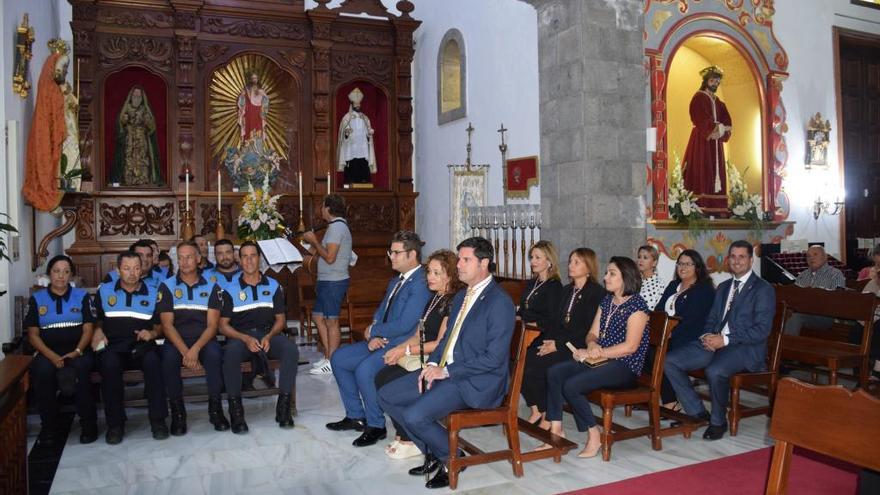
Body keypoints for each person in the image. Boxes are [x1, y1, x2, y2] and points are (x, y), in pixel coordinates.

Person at [378, 237, 516, 489]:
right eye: (459, 258)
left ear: (484, 263)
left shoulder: (499, 302)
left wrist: (446, 371)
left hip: (475, 380)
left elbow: (493, 358)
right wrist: (430, 365)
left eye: (466, 260)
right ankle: (435, 451)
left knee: (414, 415)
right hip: (448, 370)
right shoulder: (462, 294)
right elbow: (445, 341)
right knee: (387, 394)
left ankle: (451, 458)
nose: (459, 265)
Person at [326, 231, 432, 447]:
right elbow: (381, 309)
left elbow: (405, 324)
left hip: (401, 343)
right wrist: (373, 330)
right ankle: (356, 415)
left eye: (395, 252)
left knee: (365, 369)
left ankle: (376, 426)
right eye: (390, 252)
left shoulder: (420, 283)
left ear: (412, 254)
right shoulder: (396, 281)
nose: (391, 256)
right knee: (338, 358)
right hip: (382, 338)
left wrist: (376, 332)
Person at [539, 257, 650, 458]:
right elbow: (592, 333)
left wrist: (600, 352)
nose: (606, 277)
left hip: (624, 366)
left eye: (611, 273)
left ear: (626, 278)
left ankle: (594, 435)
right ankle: (555, 431)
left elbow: (630, 347)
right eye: (607, 273)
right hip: (601, 360)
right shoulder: (607, 301)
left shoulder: (637, 306)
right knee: (555, 372)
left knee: (572, 385)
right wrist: (591, 345)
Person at [664, 240, 775, 440]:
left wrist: (725, 340)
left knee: (715, 370)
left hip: (745, 348)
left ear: (751, 260)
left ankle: (718, 422)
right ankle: (697, 412)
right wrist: (706, 336)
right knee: (670, 361)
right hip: (715, 343)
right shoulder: (724, 287)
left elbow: (761, 330)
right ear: (728, 260)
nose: (737, 261)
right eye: (733, 256)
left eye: (742, 257)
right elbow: (712, 319)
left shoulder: (763, 289)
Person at [374, 249, 463, 459]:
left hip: (435, 360)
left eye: (436, 273)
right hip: (419, 354)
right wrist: (398, 349)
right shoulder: (433, 299)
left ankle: (411, 438)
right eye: (429, 272)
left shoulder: (452, 302)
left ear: (450, 275)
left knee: (393, 381)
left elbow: (440, 345)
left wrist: (405, 350)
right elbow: (417, 335)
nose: (430, 277)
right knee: (382, 376)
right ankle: (405, 433)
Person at [219, 241, 299, 433]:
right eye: (244, 256)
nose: (248, 260)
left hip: (268, 334)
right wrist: (245, 339)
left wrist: (270, 336)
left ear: (259, 259)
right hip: (241, 336)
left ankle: (284, 408)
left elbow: (281, 319)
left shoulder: (272, 286)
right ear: (239, 260)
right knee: (230, 354)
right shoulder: (229, 288)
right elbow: (222, 325)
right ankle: (236, 412)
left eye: (252, 256)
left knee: (290, 350)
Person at [92, 251, 168, 444]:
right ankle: (115, 425)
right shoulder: (105, 290)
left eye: (136, 268)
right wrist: (97, 330)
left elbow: (160, 326)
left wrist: (152, 334)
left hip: (141, 346)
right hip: (113, 346)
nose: (132, 273)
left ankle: (158, 420)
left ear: (142, 269)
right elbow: (97, 320)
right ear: (118, 270)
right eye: (127, 268)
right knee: (109, 366)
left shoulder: (153, 292)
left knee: (154, 363)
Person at [521, 248, 604, 425]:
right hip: (559, 342)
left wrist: (557, 345)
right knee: (525, 359)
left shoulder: (596, 293)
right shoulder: (567, 290)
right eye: (570, 261)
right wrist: (548, 342)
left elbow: (587, 330)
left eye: (577, 262)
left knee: (540, 366)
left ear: (588, 267)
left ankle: (549, 417)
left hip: (578, 347)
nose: (571, 265)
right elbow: (555, 323)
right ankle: (541, 409)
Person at [157, 241, 228, 435]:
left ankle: (215, 410)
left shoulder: (212, 286)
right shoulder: (167, 286)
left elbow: (213, 326)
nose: (185, 261)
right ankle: (178, 413)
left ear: (198, 259)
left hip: (203, 340)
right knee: (169, 358)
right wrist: (185, 351)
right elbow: (167, 325)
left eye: (189, 257)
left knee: (214, 355)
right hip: (176, 340)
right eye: (180, 257)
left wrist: (195, 349)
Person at [25, 255, 97, 446]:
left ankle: (89, 425)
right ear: (49, 274)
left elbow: (88, 329)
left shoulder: (81, 296)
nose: (61, 276)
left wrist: (77, 351)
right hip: (48, 352)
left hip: (78, 350)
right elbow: (33, 335)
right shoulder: (37, 299)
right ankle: (49, 427)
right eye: (56, 271)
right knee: (42, 371)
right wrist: (52, 356)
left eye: (66, 272)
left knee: (81, 369)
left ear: (71, 275)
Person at [653, 249, 715, 408]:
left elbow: (692, 321)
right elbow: (659, 310)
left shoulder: (704, 290)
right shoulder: (674, 284)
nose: (683, 267)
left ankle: (670, 402)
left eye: (688, 264)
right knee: (645, 350)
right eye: (680, 263)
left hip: (690, 339)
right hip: (668, 335)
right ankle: (661, 397)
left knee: (659, 355)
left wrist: (669, 333)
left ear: (698, 267)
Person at [24, 39, 79, 213]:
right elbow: (50, 115)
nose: (64, 72)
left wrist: (69, 95)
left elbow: (74, 104)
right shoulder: (49, 89)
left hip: (69, 130)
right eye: (62, 69)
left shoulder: (64, 87)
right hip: (59, 134)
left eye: (65, 70)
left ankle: (67, 184)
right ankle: (57, 188)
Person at [302, 195, 353, 375]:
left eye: (322, 206)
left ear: (329, 208)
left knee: (332, 321)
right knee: (317, 317)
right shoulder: (334, 227)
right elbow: (323, 253)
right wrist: (311, 245)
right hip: (326, 280)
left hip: (334, 281)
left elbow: (330, 258)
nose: (321, 210)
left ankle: (333, 361)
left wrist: (315, 241)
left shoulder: (337, 227)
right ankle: (327, 355)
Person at [682, 65, 732, 216]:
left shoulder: (720, 103)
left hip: (716, 145)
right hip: (702, 141)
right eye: (712, 80)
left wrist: (721, 130)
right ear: (706, 81)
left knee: (716, 171)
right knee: (702, 168)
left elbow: (728, 122)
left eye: (717, 82)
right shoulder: (698, 98)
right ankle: (701, 205)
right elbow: (700, 118)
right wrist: (716, 128)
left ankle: (718, 206)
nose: (715, 84)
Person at [783, 245, 846, 336]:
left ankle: (786, 347)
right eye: (808, 256)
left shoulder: (835, 274)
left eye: (815, 254)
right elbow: (793, 295)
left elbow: (838, 300)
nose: (811, 258)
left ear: (825, 257)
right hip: (800, 311)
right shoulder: (803, 275)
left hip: (823, 316)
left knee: (796, 317)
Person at [109, 85, 163, 186]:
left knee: (143, 162)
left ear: (142, 98)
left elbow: (152, 128)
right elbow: (119, 125)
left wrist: (147, 121)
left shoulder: (145, 110)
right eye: (135, 95)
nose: (136, 98)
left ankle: (143, 181)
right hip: (128, 141)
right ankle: (126, 181)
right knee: (128, 161)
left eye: (139, 96)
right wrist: (123, 121)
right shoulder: (125, 109)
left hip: (142, 141)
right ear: (131, 96)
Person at [517, 240, 564, 331]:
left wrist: (531, 325)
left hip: (539, 332)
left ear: (549, 261)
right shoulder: (532, 282)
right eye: (532, 257)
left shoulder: (554, 286)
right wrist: (517, 318)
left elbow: (553, 319)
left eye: (537, 258)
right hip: (524, 328)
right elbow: (523, 309)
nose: (532, 261)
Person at [336, 87, 377, 185]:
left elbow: (368, 132)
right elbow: (343, 133)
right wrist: (346, 133)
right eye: (356, 105)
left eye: (359, 105)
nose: (358, 107)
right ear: (352, 105)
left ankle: (364, 181)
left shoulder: (365, 118)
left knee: (363, 163)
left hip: (362, 146)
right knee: (352, 164)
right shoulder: (347, 118)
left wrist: (369, 133)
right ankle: (350, 181)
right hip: (351, 147)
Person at [238, 72, 269, 146]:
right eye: (253, 78)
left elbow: (266, 101)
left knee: (258, 129)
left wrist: (263, 109)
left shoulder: (261, 90)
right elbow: (242, 102)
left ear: (258, 79)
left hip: (258, 113)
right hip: (249, 113)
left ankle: (258, 149)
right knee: (248, 128)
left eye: (256, 78)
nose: (254, 80)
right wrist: (242, 96)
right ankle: (247, 149)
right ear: (250, 79)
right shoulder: (247, 90)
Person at [637, 245, 666, 309]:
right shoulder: (634, 281)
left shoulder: (659, 284)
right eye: (639, 257)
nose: (640, 260)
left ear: (654, 263)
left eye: (645, 258)